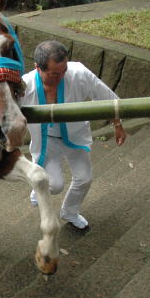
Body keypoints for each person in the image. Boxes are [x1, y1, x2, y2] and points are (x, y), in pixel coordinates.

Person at [23, 40, 127, 229]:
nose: (61, 77)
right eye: (55, 73)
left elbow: (106, 97)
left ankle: (70, 212)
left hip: (74, 133)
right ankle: (36, 186)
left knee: (84, 178)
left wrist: (117, 123)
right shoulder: (24, 85)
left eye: (64, 71)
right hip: (46, 139)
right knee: (53, 186)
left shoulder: (78, 72)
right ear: (37, 67)